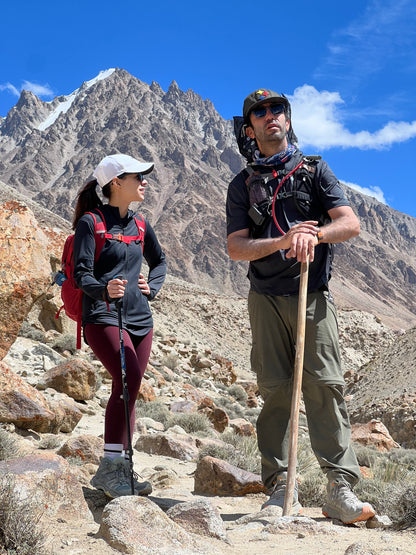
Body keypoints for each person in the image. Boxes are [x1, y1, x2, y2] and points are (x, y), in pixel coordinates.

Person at [226, 89, 376, 524]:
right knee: (274, 390)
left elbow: (350, 223)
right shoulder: (242, 184)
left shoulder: (314, 171)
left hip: (312, 297)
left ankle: (339, 488)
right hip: (265, 298)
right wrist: (283, 240)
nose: (270, 116)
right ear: (250, 127)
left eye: (277, 110)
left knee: (325, 386)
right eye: (260, 112)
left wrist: (317, 236)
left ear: (288, 121)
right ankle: (278, 487)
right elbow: (236, 247)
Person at [73, 153, 166, 498]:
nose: (144, 182)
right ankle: (111, 468)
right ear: (116, 183)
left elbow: (159, 261)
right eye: (137, 176)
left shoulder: (141, 225)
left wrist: (152, 287)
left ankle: (121, 467)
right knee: (126, 380)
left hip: (141, 319)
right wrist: (103, 289)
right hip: (102, 316)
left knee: (131, 387)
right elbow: (80, 273)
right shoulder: (91, 222)